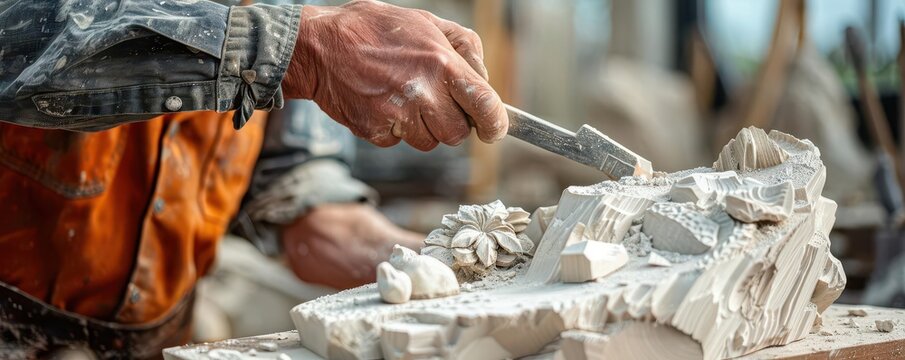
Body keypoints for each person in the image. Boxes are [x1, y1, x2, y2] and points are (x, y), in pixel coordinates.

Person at [0, 0, 508, 358]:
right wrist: (292, 47)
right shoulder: (295, 31)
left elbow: (309, 208)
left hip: (154, 340)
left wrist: (449, 265)